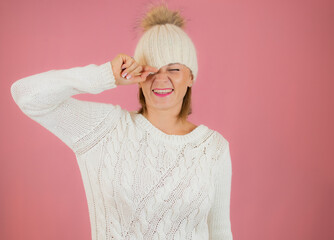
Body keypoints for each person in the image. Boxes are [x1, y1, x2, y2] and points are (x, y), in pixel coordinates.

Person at [10, 2, 233, 240]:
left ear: (190, 76)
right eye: (151, 69)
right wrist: (106, 75)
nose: (161, 79)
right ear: (138, 76)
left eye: (174, 69)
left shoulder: (213, 148)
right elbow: (26, 94)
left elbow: (219, 232)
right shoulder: (106, 129)